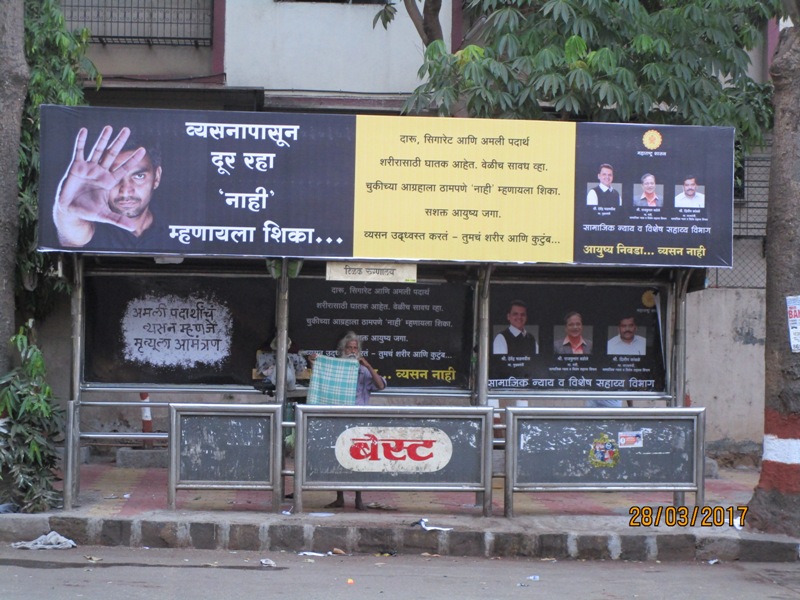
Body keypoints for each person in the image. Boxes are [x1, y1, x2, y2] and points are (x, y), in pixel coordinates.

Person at [309, 331, 386, 510]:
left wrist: (366, 364)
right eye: (349, 348)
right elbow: (321, 378)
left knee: (359, 458)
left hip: (358, 419)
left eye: (355, 348)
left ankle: (359, 499)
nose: (352, 351)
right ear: (342, 350)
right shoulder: (337, 368)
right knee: (338, 457)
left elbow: (381, 385)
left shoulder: (364, 370)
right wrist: (314, 362)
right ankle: (340, 498)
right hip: (339, 418)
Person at [53, 125, 164, 249]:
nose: (126, 191)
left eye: (139, 176)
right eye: (114, 176)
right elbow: (70, 240)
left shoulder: (177, 228)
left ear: (157, 177)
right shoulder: (89, 224)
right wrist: (68, 213)